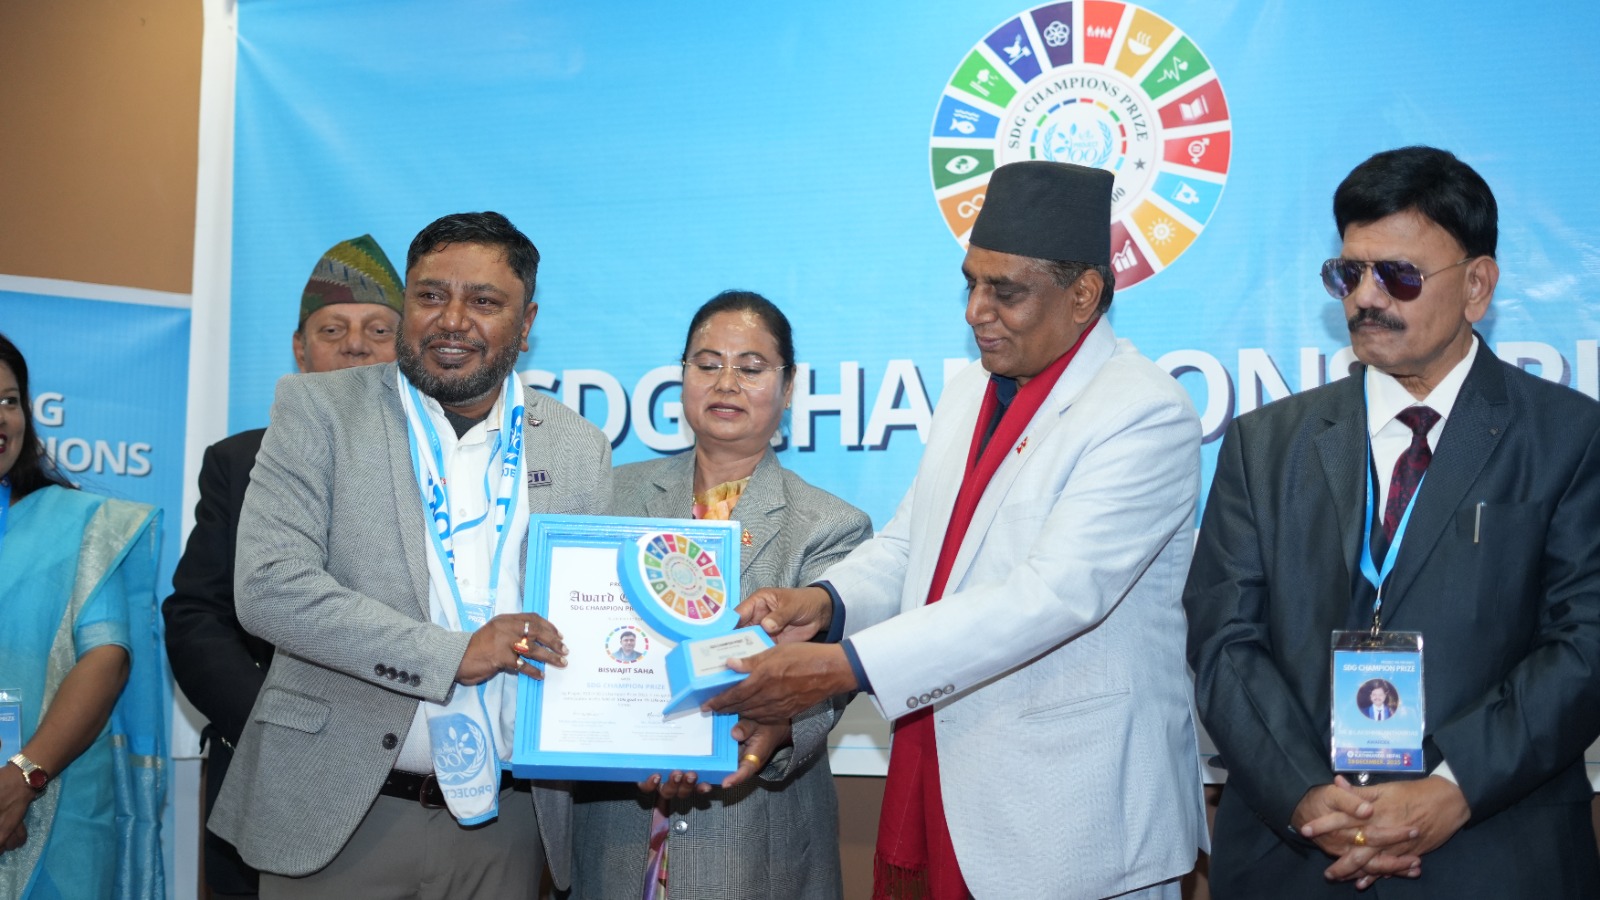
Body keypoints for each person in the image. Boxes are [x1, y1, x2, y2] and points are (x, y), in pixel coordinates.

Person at [706, 162, 1208, 899]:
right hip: (952, 782)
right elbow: (914, 547)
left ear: (1083, 294)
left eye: (1005, 291)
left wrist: (847, 665)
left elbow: (1052, 597)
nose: (976, 311)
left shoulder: (1142, 411)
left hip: (1076, 818)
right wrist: (825, 604)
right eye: (971, 283)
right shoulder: (973, 387)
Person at [1184, 146, 1600, 897]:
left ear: (1477, 285)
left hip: (1491, 850)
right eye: (1349, 274)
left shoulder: (1570, 438)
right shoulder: (1262, 445)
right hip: (1297, 856)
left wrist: (1453, 787)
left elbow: (1587, 640)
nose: (1366, 299)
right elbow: (1224, 641)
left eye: (1398, 276)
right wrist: (1308, 797)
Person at [208, 212, 613, 898]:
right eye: (430, 296)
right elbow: (270, 587)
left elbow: (591, 626)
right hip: (342, 813)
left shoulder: (578, 447)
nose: (452, 320)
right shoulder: (319, 410)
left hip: (507, 824)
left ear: (525, 323)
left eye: (483, 301)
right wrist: (451, 654)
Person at [571, 290, 872, 899]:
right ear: (681, 377)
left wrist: (772, 726)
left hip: (758, 843)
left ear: (788, 387)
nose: (726, 382)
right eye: (707, 364)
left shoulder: (830, 525)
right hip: (617, 837)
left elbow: (829, 687)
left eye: (751, 368)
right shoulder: (608, 500)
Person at [163, 233, 405, 897]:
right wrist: (280, 727)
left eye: (378, 329)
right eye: (333, 329)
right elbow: (197, 618)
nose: (355, 346)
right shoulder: (239, 462)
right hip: (268, 770)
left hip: (409, 780)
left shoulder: (445, 471)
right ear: (300, 350)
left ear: (407, 348)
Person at [0, 333, 164, 898]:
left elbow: (107, 659)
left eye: (9, 400)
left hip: (54, 810)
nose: (1, 417)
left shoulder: (81, 526)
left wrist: (23, 778)